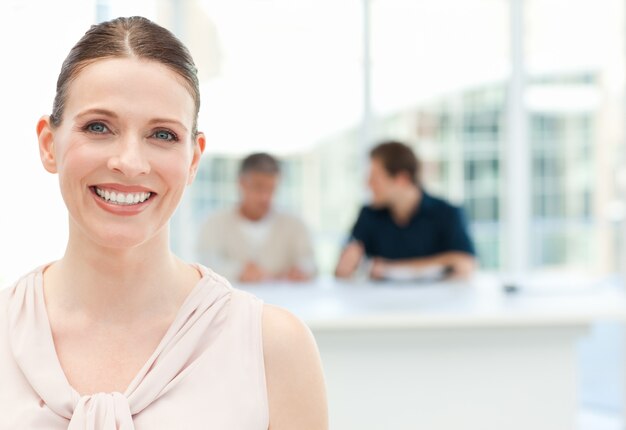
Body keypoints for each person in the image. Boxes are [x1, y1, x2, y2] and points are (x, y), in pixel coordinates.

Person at [0, 17, 327, 429]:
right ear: (49, 145)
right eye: (98, 127)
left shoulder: (273, 349)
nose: (130, 163)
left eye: (163, 135)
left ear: (193, 158)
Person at [335, 140, 476, 280]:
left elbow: (465, 264)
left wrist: (390, 269)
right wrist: (345, 267)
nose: (368, 185)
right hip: (381, 300)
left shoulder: (447, 213)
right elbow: (342, 270)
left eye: (375, 178)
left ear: (402, 179)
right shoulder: (369, 214)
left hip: (437, 300)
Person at [197, 153, 316, 283]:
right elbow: (205, 264)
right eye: (258, 187)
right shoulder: (214, 223)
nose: (265, 197)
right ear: (241, 183)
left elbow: (310, 262)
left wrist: (302, 270)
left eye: (271, 189)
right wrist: (239, 271)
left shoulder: (295, 225)